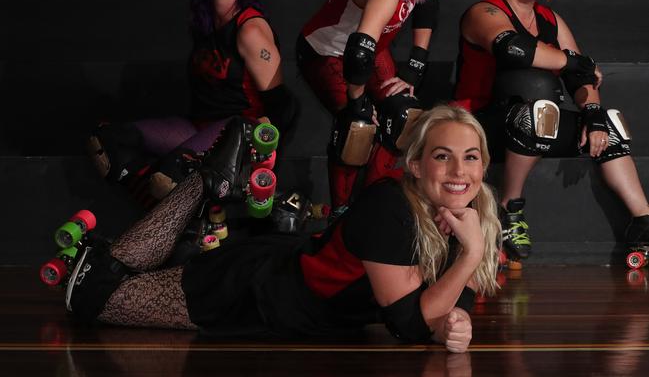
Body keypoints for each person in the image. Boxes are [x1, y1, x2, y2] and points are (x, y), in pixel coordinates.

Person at [63, 105, 501, 353]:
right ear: (417, 164)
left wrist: (450, 324)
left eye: (471, 156)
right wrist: (471, 256)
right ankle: (203, 182)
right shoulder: (391, 206)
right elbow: (406, 325)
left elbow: (443, 303)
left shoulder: (475, 214)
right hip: (258, 293)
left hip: (287, 279)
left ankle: (197, 199)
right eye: (443, 156)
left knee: (114, 275)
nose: (459, 170)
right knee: (93, 297)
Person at [453, 0, 649, 261]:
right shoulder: (484, 11)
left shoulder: (550, 20)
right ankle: (509, 208)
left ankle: (643, 222)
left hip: (536, 120)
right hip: (477, 121)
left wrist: (593, 114)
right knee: (535, 84)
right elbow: (511, 49)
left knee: (610, 125)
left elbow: (580, 77)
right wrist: (575, 62)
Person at [88, 0, 298, 200]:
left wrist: (264, 157)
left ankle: (182, 212)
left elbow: (284, 105)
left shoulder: (250, 29)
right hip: (200, 126)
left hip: (237, 130)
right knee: (109, 141)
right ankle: (160, 196)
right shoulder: (205, 22)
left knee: (171, 175)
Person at [296, 0, 442, 216]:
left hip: (370, 51)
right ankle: (342, 217)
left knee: (404, 117)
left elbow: (428, 5)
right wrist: (358, 101)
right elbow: (358, 52)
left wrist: (414, 68)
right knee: (358, 127)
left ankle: (377, 205)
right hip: (326, 53)